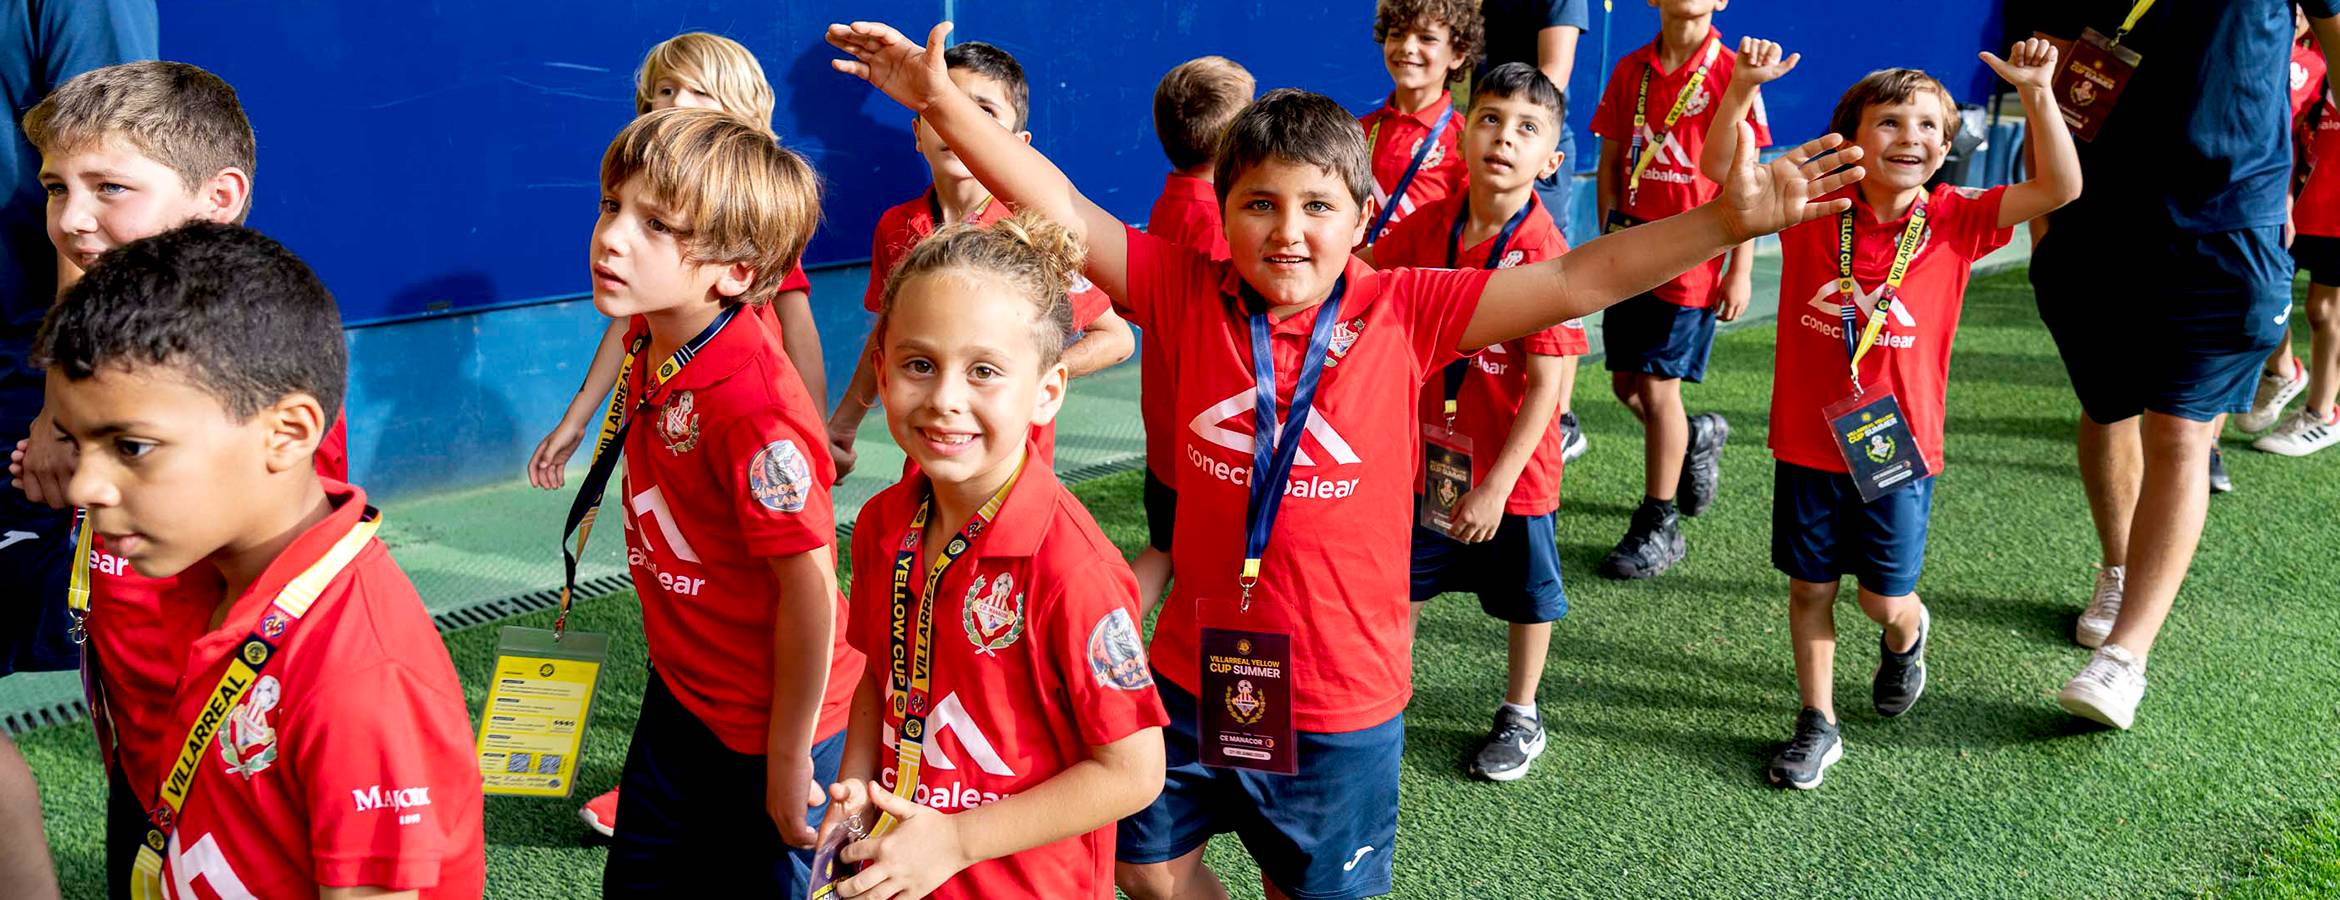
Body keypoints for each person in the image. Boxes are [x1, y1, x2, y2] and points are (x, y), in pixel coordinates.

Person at [827, 19, 1862, 898]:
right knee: (1145, 870)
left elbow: (1581, 277)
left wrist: (1725, 220)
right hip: (1190, 676)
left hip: (1337, 702)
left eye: (1319, 206)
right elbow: (1056, 200)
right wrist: (945, 106)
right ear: (1222, 214)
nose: (1288, 232)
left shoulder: (1406, 308)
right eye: (1261, 205)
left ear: (1363, 219)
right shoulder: (1183, 295)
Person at [42, 221, 485, 896]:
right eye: (75, 444)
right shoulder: (215, 572)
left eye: (131, 447)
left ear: (288, 433)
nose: (84, 487)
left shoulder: (361, 677)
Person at [15, 60, 361, 898]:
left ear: (220, 198)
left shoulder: (244, 370)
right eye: (58, 189)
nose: (72, 221)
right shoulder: (117, 332)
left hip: (228, 755)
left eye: (110, 189)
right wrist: (59, 426)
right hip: (136, 742)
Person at [1704, 39, 2080, 788]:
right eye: (1890, 122)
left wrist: (2038, 91)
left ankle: (1907, 633)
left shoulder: (1957, 218)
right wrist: (1742, 87)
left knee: (1881, 598)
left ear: (1947, 146)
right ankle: (1818, 722)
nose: (1910, 137)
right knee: (1810, 588)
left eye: (1929, 127)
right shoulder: (1816, 205)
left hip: (1896, 450)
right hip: (1808, 443)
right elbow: (1722, 172)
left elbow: (2060, 187)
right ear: (1853, 136)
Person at [817, 210, 1167, 899]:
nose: (945, 399)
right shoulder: (885, 522)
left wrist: (956, 842)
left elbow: (1133, 771)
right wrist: (856, 788)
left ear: (1047, 391)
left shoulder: (1072, 569)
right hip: (904, 873)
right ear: (881, 373)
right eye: (920, 364)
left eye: (983, 371)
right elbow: (875, 681)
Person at [2030, 0, 2340, 730]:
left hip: (2230, 215)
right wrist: (2045, 213)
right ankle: (2117, 570)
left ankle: (2125, 658)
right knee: (2107, 405)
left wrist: (2299, 185)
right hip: (2096, 211)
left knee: (2182, 427)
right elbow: (2048, 59)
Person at [583, 108, 847, 895]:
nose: (612, 236)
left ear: (734, 271)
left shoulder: (754, 410)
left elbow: (811, 592)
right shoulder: (651, 333)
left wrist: (790, 753)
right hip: (683, 694)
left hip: (772, 723)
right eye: (611, 205)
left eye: (656, 223)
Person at [1361, 63, 1582, 783]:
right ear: (1463, 135)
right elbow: (1364, 273)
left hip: (1510, 477)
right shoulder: (1432, 223)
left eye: (1527, 128)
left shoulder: (1544, 250)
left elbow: (1549, 388)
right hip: (1428, 461)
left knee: (1526, 597)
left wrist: (1495, 488)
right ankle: (1383, 704)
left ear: (1551, 160)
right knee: (1405, 585)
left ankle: (1522, 711)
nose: (1503, 138)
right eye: (1489, 119)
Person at [0, 5, 155, 894]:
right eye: (55, 190)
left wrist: (61, 408)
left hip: (23, 372)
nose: (75, 213)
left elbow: (104, 148)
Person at [528, 32, 827, 493]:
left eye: (699, 91)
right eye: (665, 90)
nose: (676, 103)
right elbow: (630, 325)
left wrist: (815, 431)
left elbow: (799, 328)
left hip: (732, 400)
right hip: (658, 392)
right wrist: (577, 417)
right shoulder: (641, 198)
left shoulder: (744, 216)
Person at [823, 41, 1132, 480]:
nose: (958, 127)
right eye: (943, 110)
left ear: (1017, 144)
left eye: (983, 113)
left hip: (1013, 469)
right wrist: (845, 423)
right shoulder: (897, 226)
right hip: (928, 455)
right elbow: (887, 334)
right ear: (917, 132)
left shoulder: (1038, 227)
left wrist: (1024, 378)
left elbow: (1116, 339)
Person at [1588, 0, 1769, 580]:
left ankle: (1659, 523)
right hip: (1629, 250)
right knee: (1625, 387)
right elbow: (1612, 162)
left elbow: (1751, 178)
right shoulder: (1630, 69)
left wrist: (1740, 267)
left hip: (1694, 256)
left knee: (1659, 389)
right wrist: (1605, 247)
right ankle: (1695, 441)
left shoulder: (1733, 71)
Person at [1135, 55, 1254, 618]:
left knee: (1164, 550)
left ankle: (1096, 653)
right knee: (1215, 574)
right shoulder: (1218, 227)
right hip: (1209, 448)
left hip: (1167, 437)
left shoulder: (1169, 206)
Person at [1477, 0, 1596, 463]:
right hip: (1489, 132)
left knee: (1549, 277)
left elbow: (1554, 71)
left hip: (1529, 138)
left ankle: (1561, 419)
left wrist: (1511, 127)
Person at [2250, 15, 2340, 456]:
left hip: (2336, 212)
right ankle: (2283, 370)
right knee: (2265, 295)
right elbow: (2290, 133)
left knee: (2324, 310)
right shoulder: (2304, 58)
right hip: (2295, 205)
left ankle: (2322, 414)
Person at [1359, 0, 1481, 245]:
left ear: (1458, 54)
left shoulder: (1466, 139)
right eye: (1397, 34)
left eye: (1426, 38)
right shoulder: (1357, 130)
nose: (1408, 47)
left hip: (1423, 280)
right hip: (1357, 277)